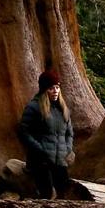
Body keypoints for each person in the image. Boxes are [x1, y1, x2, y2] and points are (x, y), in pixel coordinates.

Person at [18, 69, 74, 198]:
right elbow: (24, 132)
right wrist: (39, 149)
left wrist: (67, 148)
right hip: (40, 162)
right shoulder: (34, 107)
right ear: (44, 89)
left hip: (60, 162)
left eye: (57, 87)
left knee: (64, 194)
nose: (55, 91)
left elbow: (69, 134)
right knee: (46, 195)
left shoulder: (63, 109)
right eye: (51, 88)